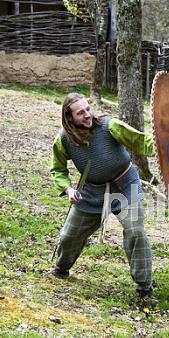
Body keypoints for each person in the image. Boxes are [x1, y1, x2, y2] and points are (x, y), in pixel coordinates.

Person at [49, 93, 155, 299]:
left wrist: (167, 146)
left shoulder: (110, 126)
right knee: (69, 236)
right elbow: (57, 169)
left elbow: (141, 142)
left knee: (136, 232)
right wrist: (68, 189)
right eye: (81, 113)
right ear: (69, 118)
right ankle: (62, 267)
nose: (88, 115)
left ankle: (145, 286)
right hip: (91, 192)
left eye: (88, 109)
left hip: (125, 185)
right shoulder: (64, 139)